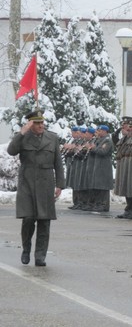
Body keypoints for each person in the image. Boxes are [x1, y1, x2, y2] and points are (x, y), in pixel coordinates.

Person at [7, 110, 65, 267]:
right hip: (27, 182)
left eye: (42, 123)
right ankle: (26, 249)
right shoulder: (24, 137)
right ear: (30, 124)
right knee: (28, 219)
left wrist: (60, 184)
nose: (41, 125)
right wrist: (22, 132)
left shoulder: (52, 137)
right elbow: (11, 150)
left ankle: (40, 255)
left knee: (44, 221)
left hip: (46, 183)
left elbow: (58, 162)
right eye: (37, 123)